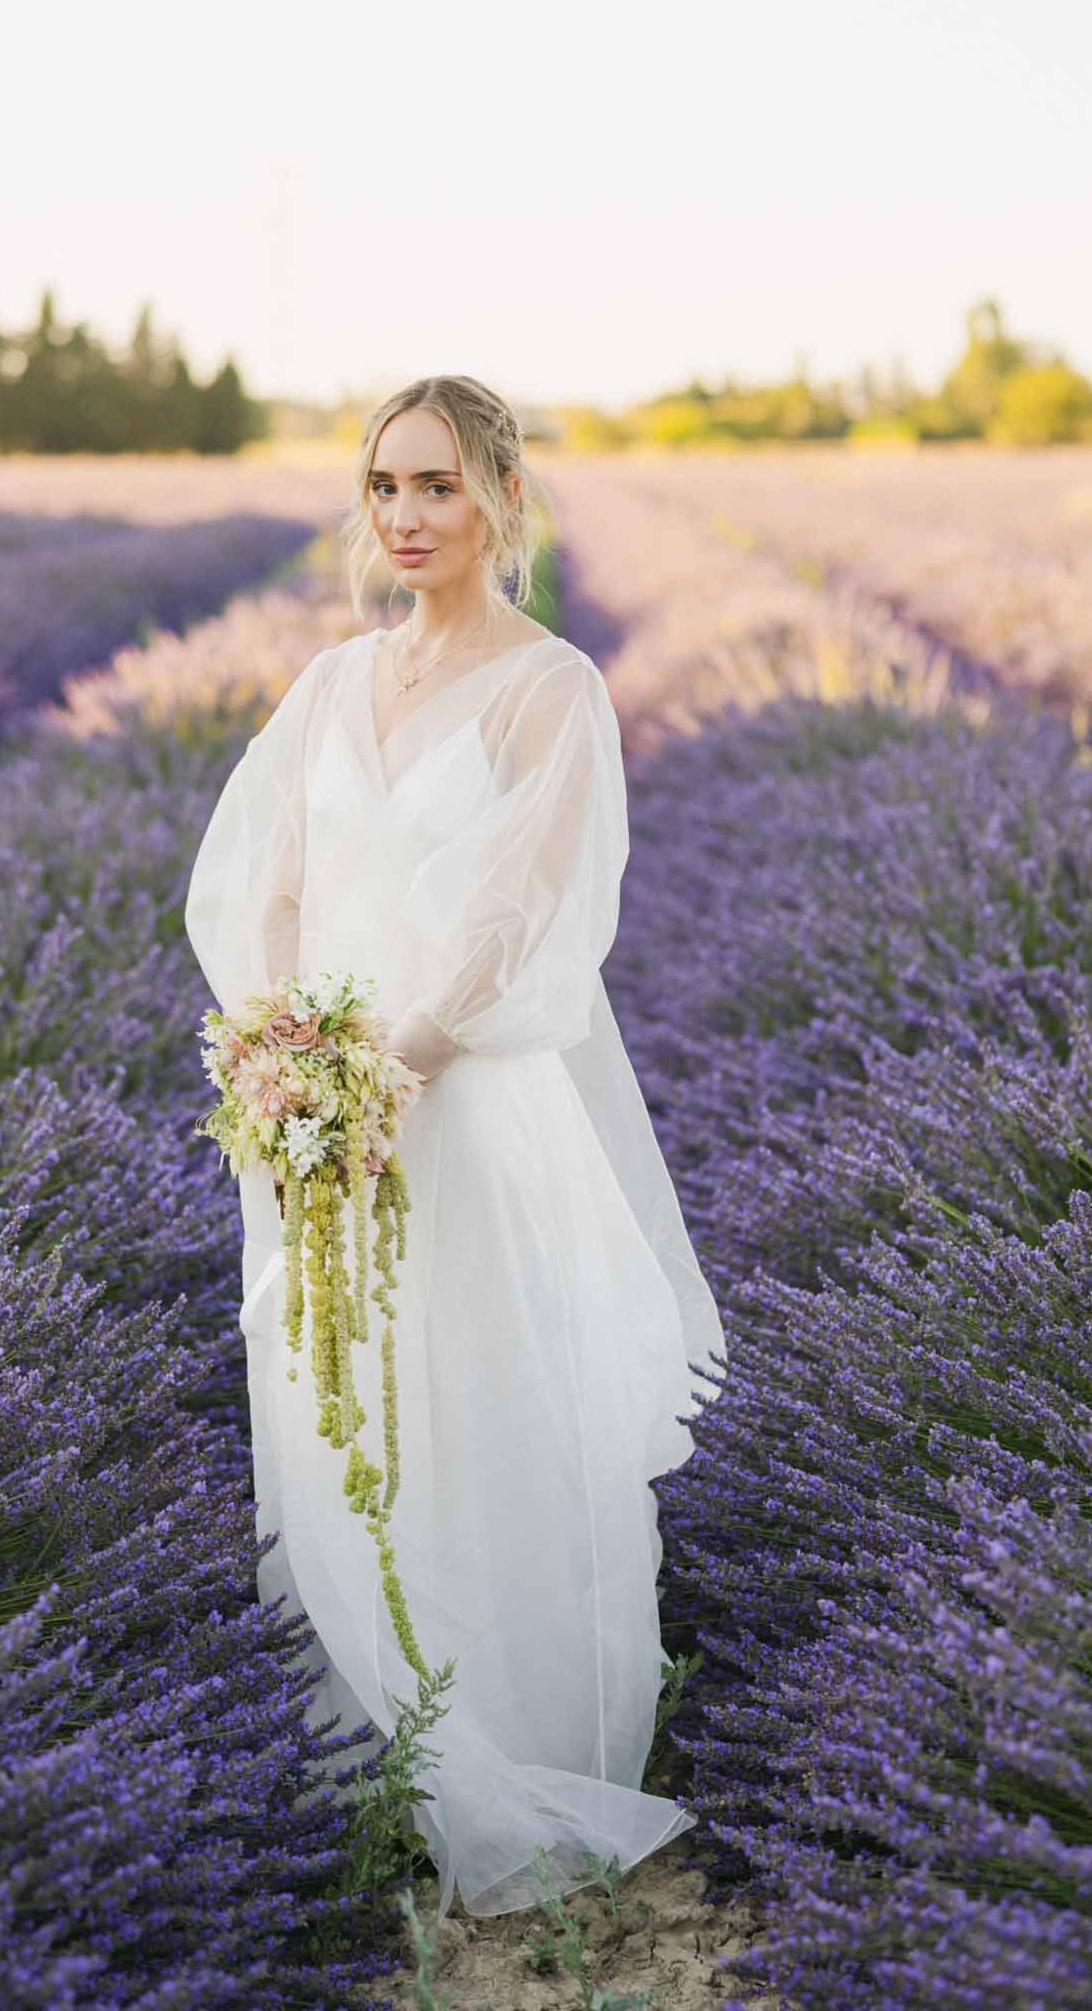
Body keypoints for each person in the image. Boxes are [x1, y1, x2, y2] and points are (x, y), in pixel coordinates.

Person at [183, 373, 728, 1922]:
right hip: (322, 1101)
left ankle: (501, 1739)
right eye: (382, 489)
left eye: (434, 486)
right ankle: (374, 1749)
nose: (406, 518)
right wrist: (288, 1058)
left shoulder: (550, 688)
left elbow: (522, 914)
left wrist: (394, 1070)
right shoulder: (330, 682)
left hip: (460, 1102)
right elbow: (268, 888)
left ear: (498, 494)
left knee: (476, 1397)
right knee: (326, 1392)